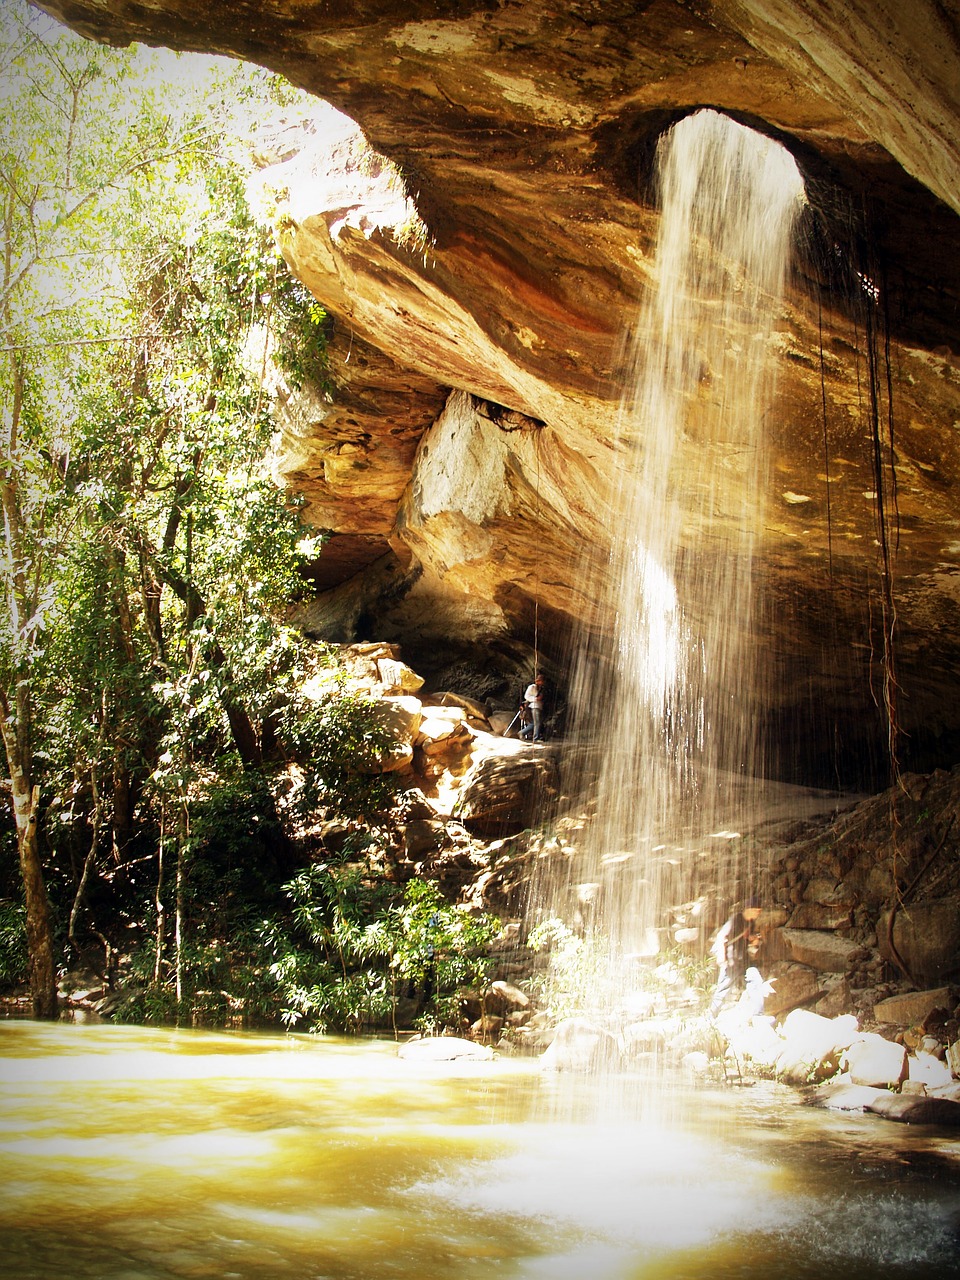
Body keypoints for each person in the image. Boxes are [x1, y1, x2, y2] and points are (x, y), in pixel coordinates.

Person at [707, 897, 763, 1019]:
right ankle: (710, 1018)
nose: (759, 913)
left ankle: (758, 1015)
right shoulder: (736, 918)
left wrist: (753, 939)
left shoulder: (751, 922)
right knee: (723, 989)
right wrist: (722, 956)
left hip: (743, 960)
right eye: (757, 910)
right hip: (731, 961)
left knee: (755, 980)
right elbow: (722, 936)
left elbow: (745, 936)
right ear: (750, 909)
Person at [523, 674, 546, 742]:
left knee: (535, 723)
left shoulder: (541, 688)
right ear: (538, 681)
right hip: (534, 706)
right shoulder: (532, 687)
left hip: (539, 707)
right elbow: (526, 696)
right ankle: (536, 738)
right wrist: (536, 699)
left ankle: (522, 733)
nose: (542, 682)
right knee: (537, 723)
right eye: (541, 681)